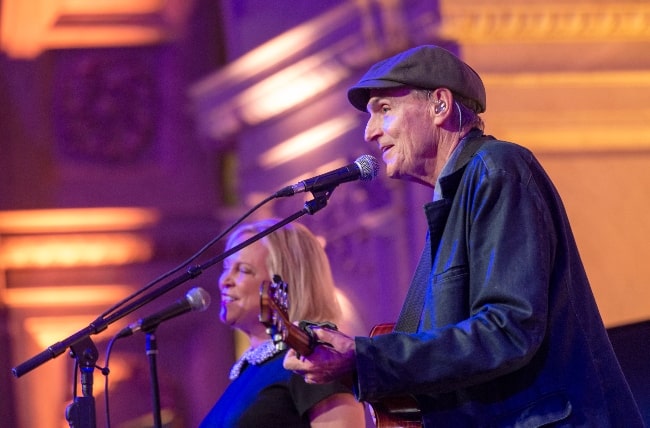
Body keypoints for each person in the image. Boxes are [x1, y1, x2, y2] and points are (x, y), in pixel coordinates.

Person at [283, 45, 645, 427]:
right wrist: (356, 363)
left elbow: (509, 328)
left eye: (384, 110)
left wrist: (367, 357)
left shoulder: (496, 168)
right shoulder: (454, 198)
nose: (370, 132)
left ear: (440, 105)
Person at [199, 219, 366, 427]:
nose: (225, 280)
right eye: (227, 267)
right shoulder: (249, 371)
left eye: (243, 270)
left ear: (284, 285)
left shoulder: (310, 358)